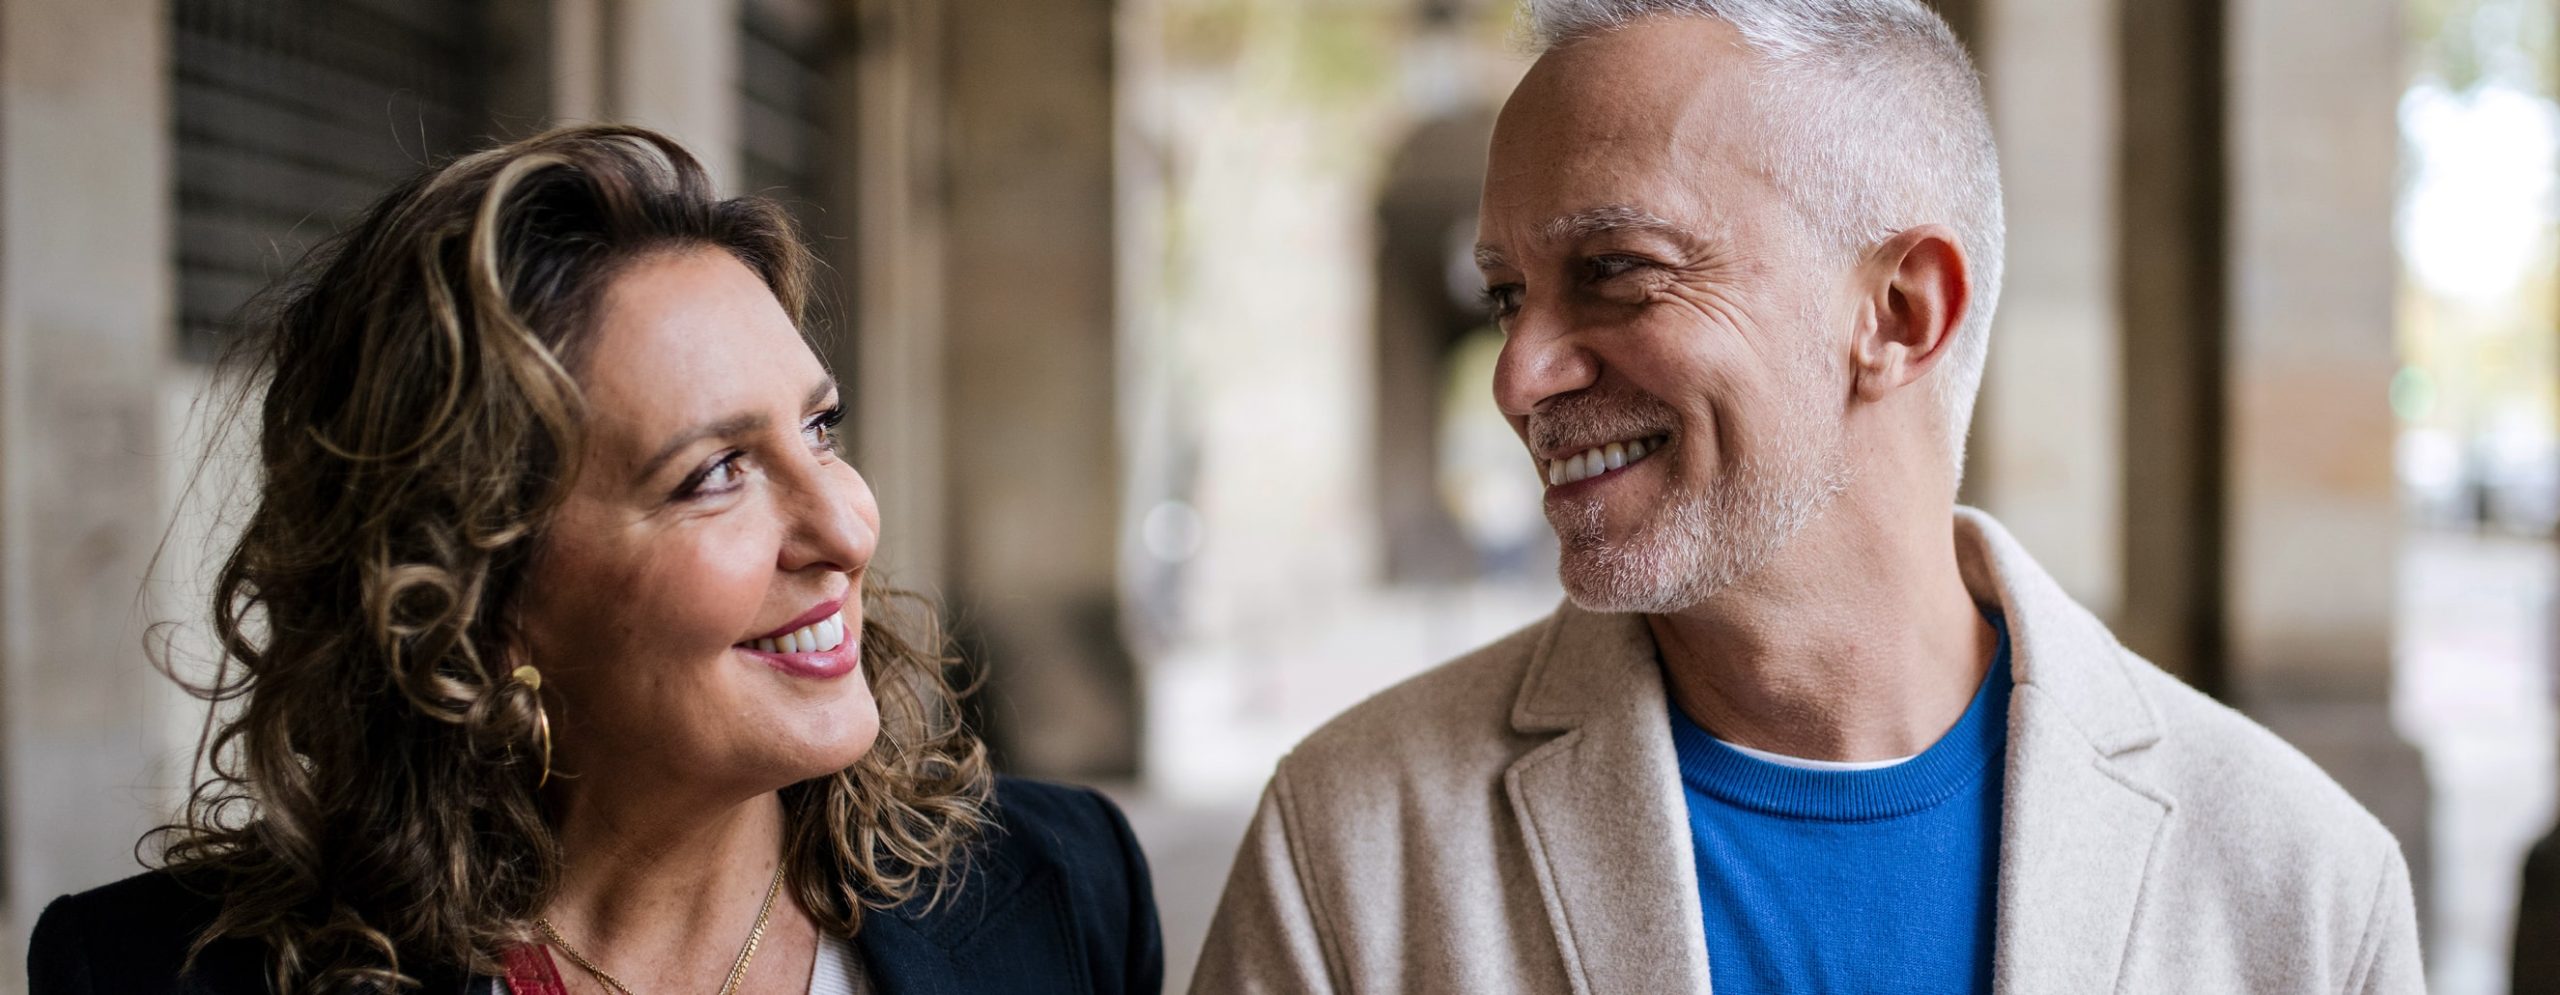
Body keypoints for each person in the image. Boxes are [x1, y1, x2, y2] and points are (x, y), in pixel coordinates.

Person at [1193, 1, 2422, 992]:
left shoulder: (2304, 887)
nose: (1518, 375)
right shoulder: (1350, 840)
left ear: (1897, 313)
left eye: (1616, 272)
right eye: (1510, 294)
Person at [29, 126, 1161, 995]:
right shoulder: (153, 972)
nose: (847, 526)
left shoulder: (1062, 892)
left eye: (820, 427)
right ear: (478, 592)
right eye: (713, 471)